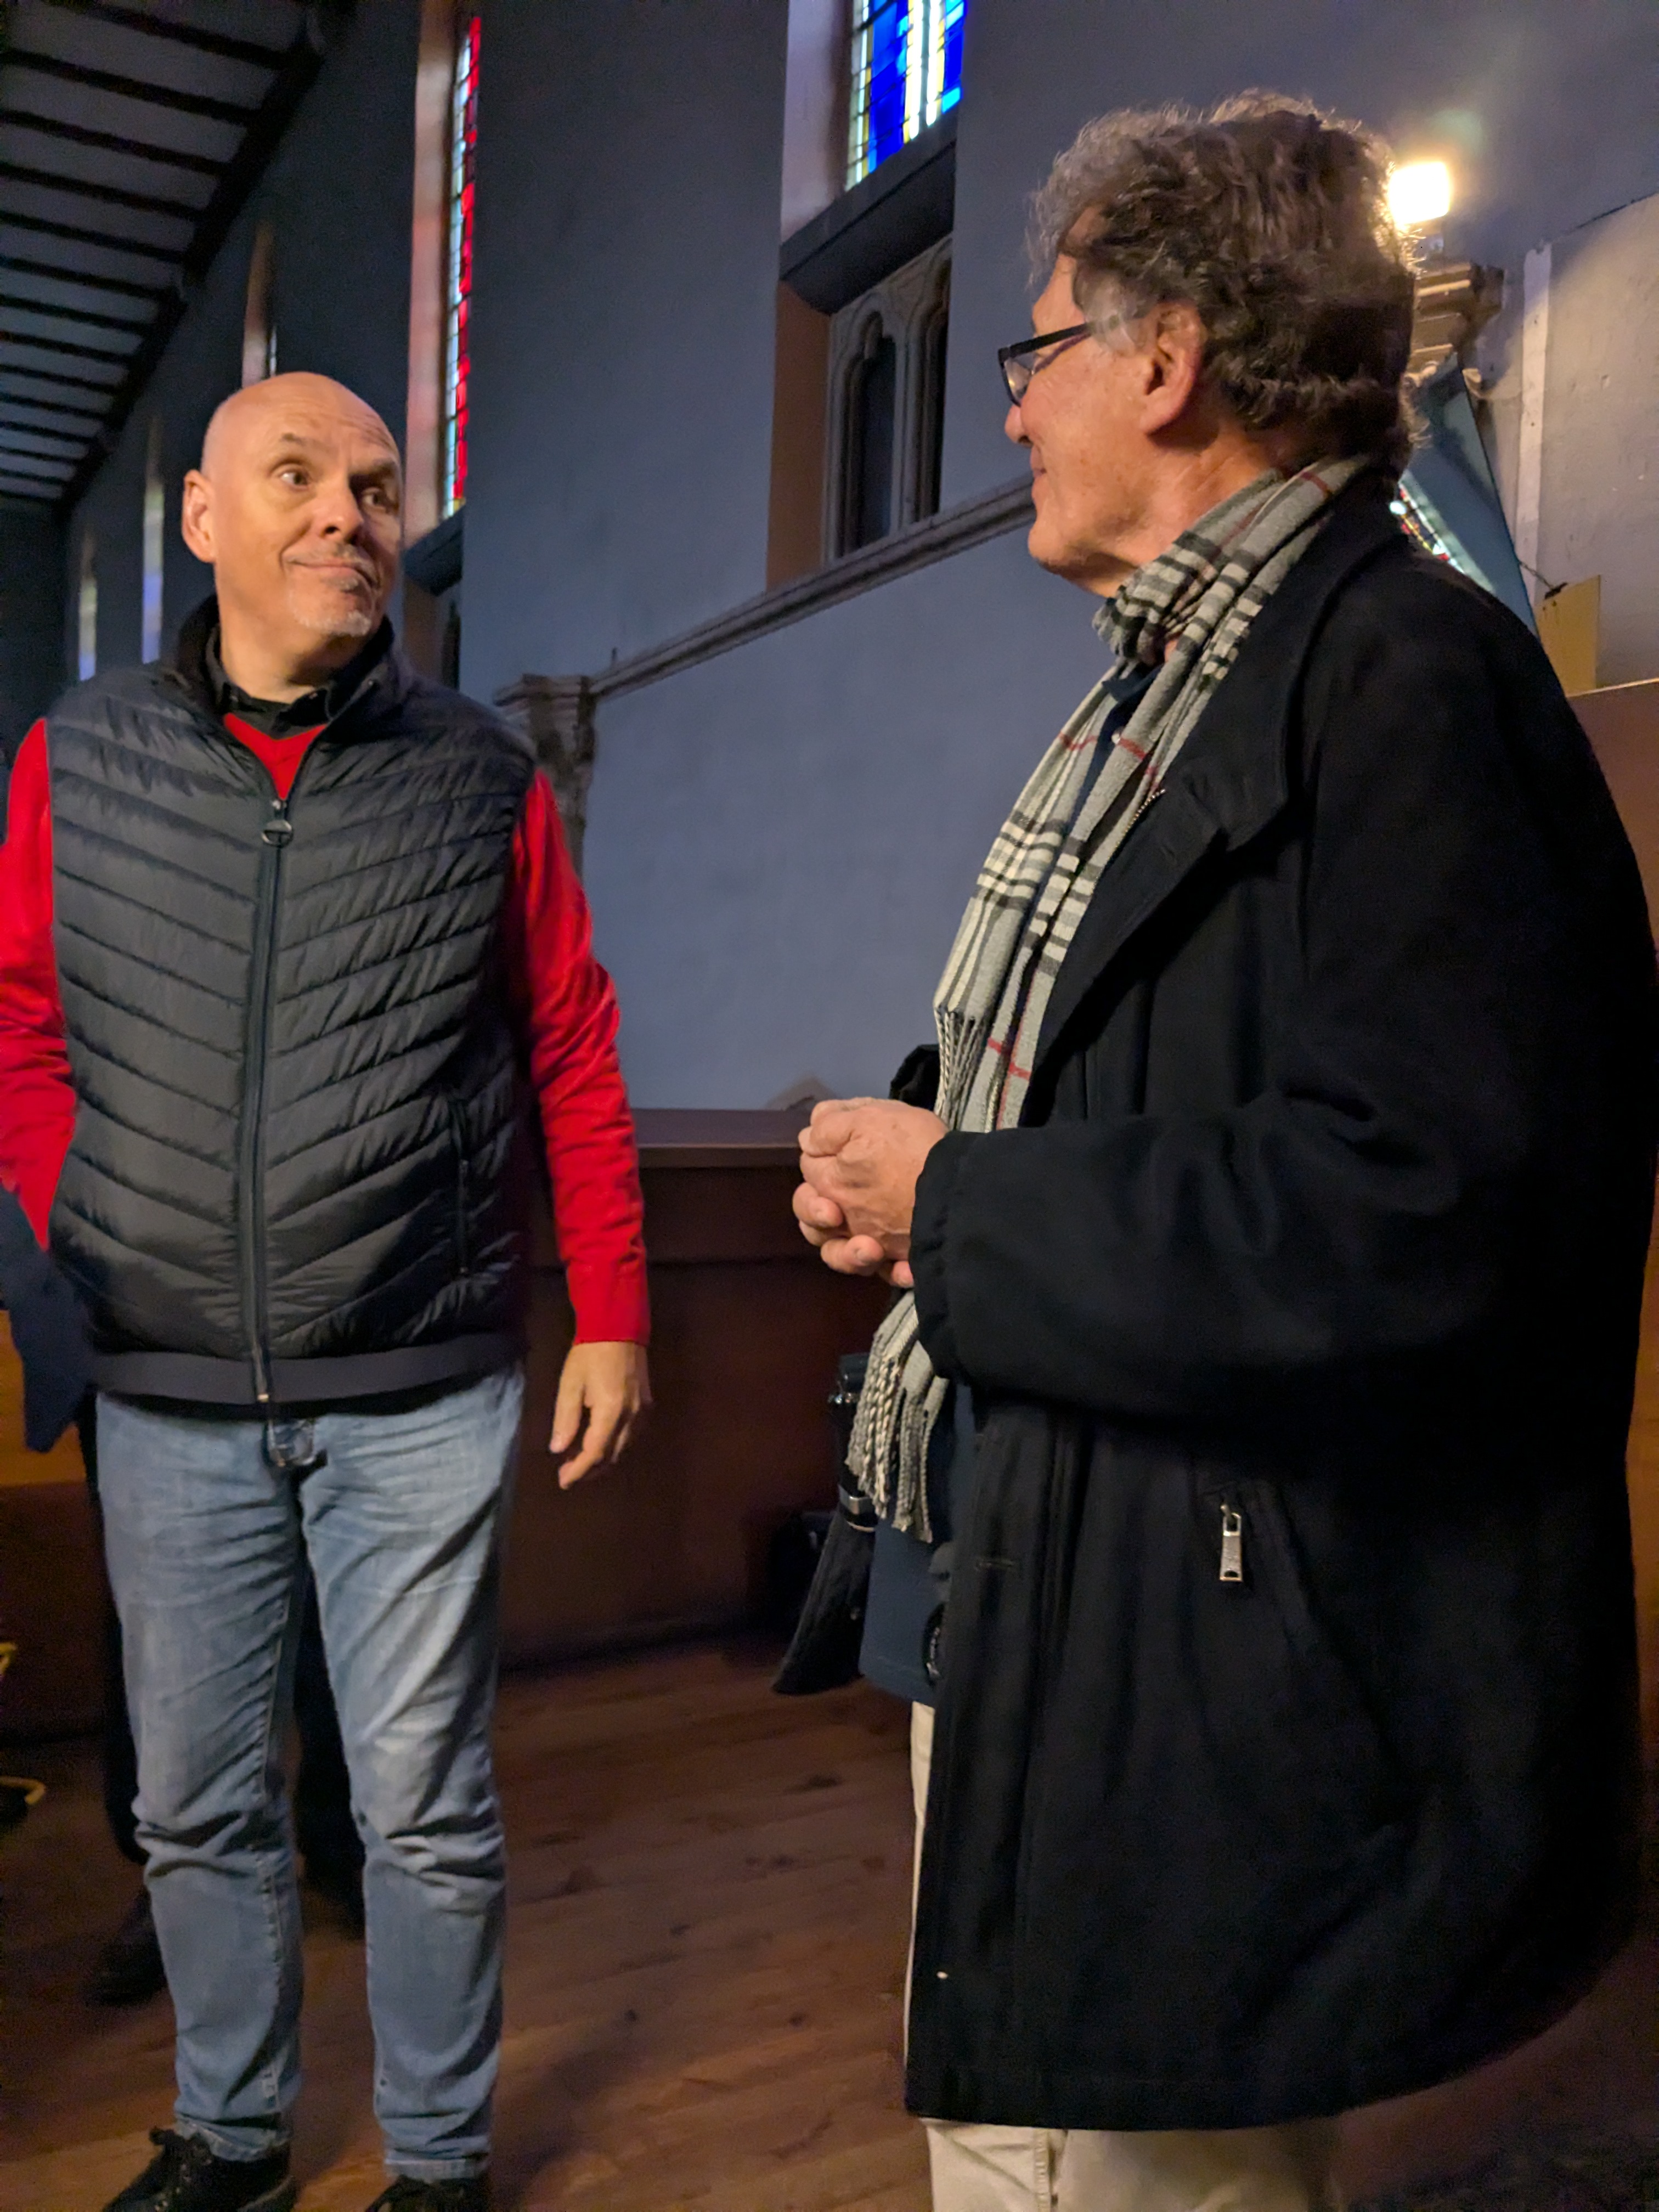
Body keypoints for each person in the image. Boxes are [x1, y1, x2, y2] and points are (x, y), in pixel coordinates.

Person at [794, 96, 1656, 2212]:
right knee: (1015, 2150)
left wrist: (961, 1203)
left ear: (1166, 361)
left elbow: (1420, 1208)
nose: (1013, 412)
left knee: (1134, 2177)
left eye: (1034, 356)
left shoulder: (1407, 676)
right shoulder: (1180, 681)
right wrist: (925, 1145)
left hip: (1208, 1636)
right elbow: (1179, 1051)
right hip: (1058, 1567)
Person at [0, 372, 651, 2212]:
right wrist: (80, 1217)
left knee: (419, 1808)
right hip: (170, 1380)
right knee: (196, 1803)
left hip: (418, 1373)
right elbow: (23, 1019)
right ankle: (231, 2135)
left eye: (375, 485)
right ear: (204, 520)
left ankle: (437, 2162)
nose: (348, 515)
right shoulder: (77, 756)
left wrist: (614, 1310)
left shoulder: (479, 773)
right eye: (297, 476)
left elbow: (569, 1044)